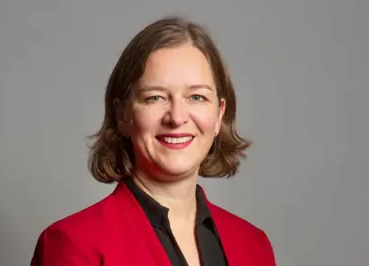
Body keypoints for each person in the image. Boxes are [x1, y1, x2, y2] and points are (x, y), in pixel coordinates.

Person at [31, 15, 276, 266]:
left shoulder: (254, 246)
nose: (177, 117)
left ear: (219, 115)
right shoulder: (73, 244)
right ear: (123, 115)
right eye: (155, 98)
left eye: (197, 97)